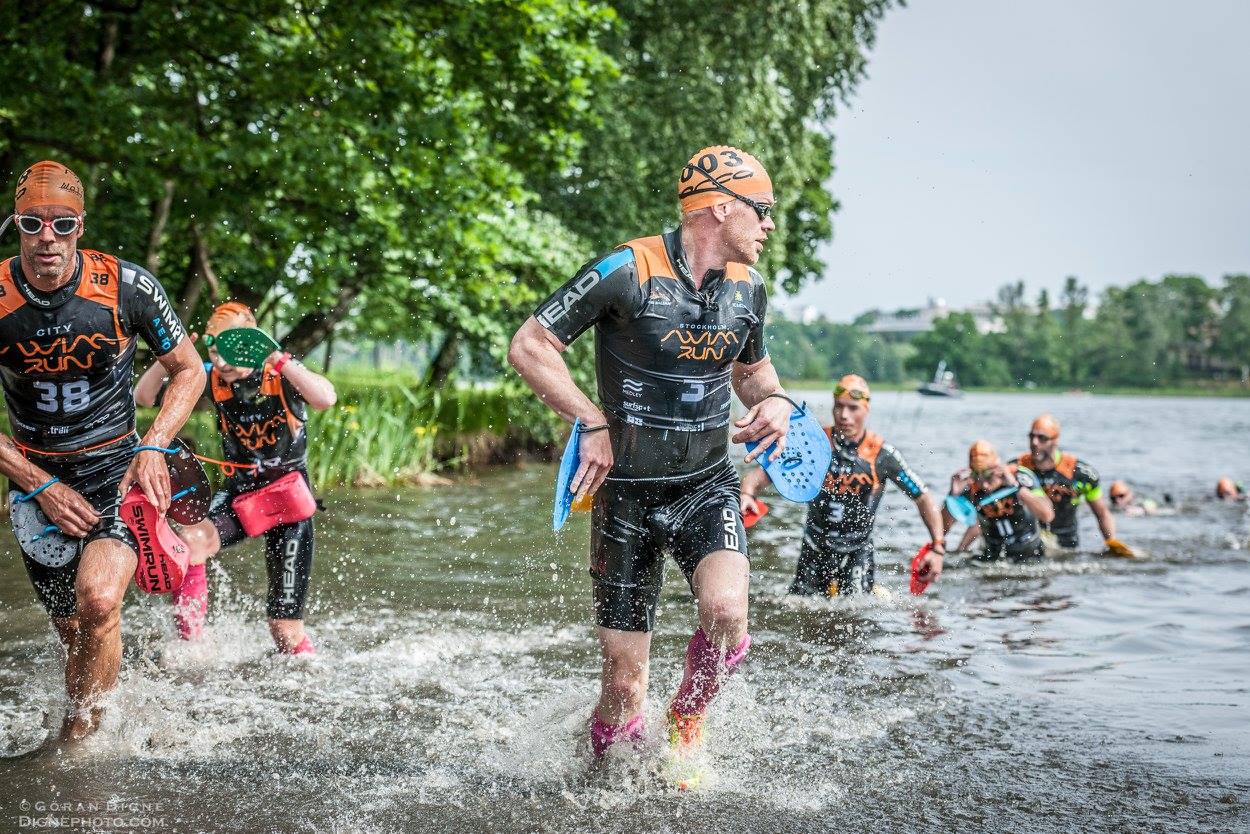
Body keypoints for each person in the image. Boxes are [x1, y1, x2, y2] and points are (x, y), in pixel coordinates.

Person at [507, 146, 793, 775]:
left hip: (706, 485)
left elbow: (754, 372)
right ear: (721, 208)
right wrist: (592, 419)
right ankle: (606, 788)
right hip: (626, 496)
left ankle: (689, 712)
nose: (770, 225)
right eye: (763, 211)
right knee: (623, 685)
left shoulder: (749, 289)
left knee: (727, 615)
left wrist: (775, 401)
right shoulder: (626, 270)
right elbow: (530, 345)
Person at [0, 161, 204, 740]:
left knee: (98, 601)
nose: (47, 237)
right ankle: (104, 698)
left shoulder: (126, 286)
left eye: (62, 224)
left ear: (80, 226)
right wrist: (39, 483)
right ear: (15, 226)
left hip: (117, 473)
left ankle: (83, 745)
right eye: (31, 223)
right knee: (74, 631)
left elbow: (188, 369)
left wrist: (157, 443)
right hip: (33, 482)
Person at [135, 302, 336, 653]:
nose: (223, 363)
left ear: (253, 345)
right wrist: (171, 354)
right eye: (215, 352)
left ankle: (308, 675)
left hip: (288, 502)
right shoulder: (211, 377)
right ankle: (190, 649)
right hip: (240, 493)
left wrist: (277, 357)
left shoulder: (279, 375)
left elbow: (325, 398)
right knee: (192, 542)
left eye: (232, 352)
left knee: (283, 630)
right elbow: (144, 396)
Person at [739, 374, 944, 596]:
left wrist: (937, 547)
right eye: (839, 407)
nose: (844, 416)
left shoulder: (881, 454)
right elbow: (761, 475)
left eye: (853, 408)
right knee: (801, 608)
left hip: (858, 550)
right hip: (814, 546)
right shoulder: (816, 444)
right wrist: (747, 494)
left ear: (867, 409)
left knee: (856, 614)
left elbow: (922, 496)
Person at [1015, 414, 1117, 551]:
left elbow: (1102, 514)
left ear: (1056, 440)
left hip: (1066, 546)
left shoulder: (1081, 474)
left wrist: (1112, 543)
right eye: (1031, 436)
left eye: (1042, 438)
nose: (1034, 442)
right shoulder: (1017, 469)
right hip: (1028, 543)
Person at [943, 440, 1055, 561]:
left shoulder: (1019, 476)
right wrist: (952, 497)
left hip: (1031, 552)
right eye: (976, 475)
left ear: (998, 466)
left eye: (988, 475)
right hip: (992, 557)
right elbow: (942, 531)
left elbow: (1047, 515)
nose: (984, 485)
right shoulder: (971, 488)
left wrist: (1017, 488)